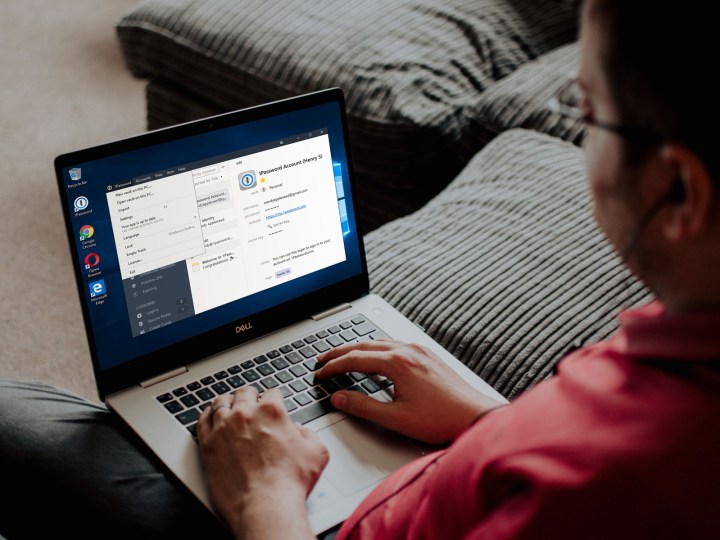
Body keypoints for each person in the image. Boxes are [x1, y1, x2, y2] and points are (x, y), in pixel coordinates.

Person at [2, 0, 720, 537]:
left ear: (681, 193)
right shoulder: (687, 321)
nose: (574, 128)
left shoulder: (635, 475)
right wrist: (487, 422)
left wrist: (265, 497)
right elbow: (567, 457)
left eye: (585, 108)